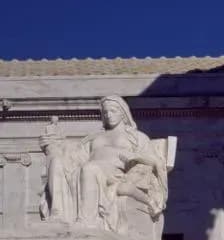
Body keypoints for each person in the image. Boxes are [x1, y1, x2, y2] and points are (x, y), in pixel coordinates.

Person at [42, 96, 169, 232]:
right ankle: (57, 214)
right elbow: (78, 156)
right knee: (57, 162)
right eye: (106, 112)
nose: (109, 115)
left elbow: (156, 161)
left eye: (113, 111)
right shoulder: (94, 137)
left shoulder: (137, 137)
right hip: (87, 169)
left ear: (123, 112)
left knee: (90, 169)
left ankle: (87, 221)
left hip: (116, 175)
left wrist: (135, 156)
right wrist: (55, 147)